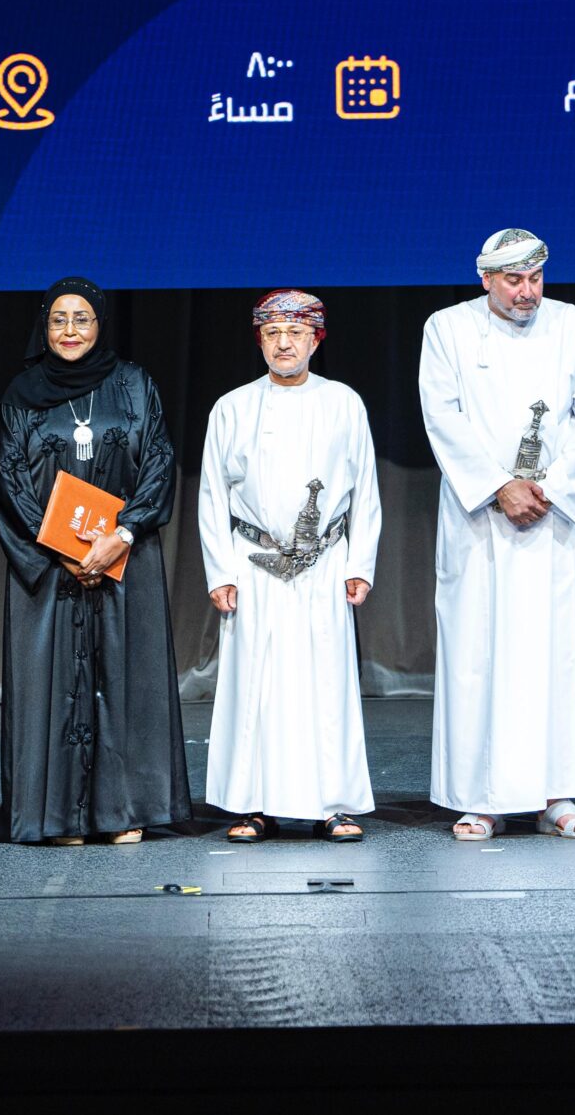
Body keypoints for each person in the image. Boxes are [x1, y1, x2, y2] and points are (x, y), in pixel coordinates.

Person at [419, 229, 575, 840]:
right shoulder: (447, 328)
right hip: (480, 519)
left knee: (557, 657)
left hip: (552, 518)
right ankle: (481, 797)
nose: (527, 292)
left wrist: (549, 488)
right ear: (486, 279)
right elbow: (441, 415)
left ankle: (558, 795)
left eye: (535, 279)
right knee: (478, 656)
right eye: (513, 281)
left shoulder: (573, 325)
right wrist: (498, 485)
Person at [0, 277, 191, 845]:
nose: (70, 330)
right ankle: (57, 817)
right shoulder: (21, 394)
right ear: (44, 327)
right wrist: (64, 547)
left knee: (127, 682)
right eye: (58, 319)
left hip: (125, 558)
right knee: (50, 687)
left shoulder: (134, 385)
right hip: (50, 566)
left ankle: (123, 811)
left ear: (100, 324)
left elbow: (158, 460)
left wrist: (121, 534)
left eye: (82, 319)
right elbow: (8, 477)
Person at [200, 290, 382, 844]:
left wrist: (360, 563)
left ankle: (333, 804)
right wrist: (220, 571)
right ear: (259, 340)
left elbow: (365, 489)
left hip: (323, 563)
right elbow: (212, 494)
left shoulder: (343, 402)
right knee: (256, 684)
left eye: (296, 332)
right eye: (273, 332)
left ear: (315, 339)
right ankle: (252, 803)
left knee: (325, 684)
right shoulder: (232, 407)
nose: (284, 343)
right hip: (254, 564)